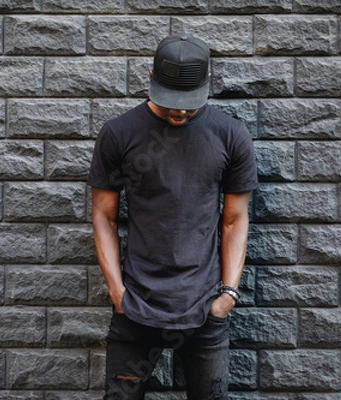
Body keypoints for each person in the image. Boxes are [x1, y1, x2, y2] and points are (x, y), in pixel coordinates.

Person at [88, 34, 258, 400]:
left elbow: (235, 219)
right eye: (170, 104)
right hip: (135, 305)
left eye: (189, 104)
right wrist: (118, 292)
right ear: (151, 78)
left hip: (205, 306)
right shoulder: (119, 133)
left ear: (207, 83)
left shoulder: (230, 136)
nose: (179, 113)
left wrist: (227, 293)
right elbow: (103, 215)